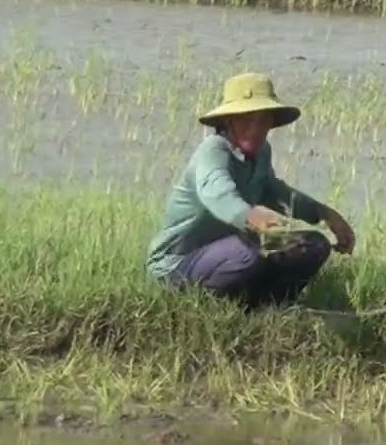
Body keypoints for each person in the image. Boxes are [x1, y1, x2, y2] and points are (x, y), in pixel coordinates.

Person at [144, 72, 356, 310]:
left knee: (314, 245)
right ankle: (213, 306)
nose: (255, 129)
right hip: (177, 264)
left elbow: (276, 192)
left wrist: (324, 214)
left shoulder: (261, 152)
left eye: (263, 121)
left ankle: (270, 305)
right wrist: (252, 217)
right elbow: (218, 193)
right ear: (228, 121)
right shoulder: (213, 151)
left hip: (229, 255)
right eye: (246, 120)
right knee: (247, 251)